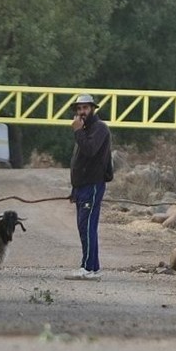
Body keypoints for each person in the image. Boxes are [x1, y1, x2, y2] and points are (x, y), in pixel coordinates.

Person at [65, 94, 112, 281]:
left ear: (92, 109)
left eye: (84, 108)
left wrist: (77, 131)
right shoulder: (85, 130)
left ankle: (87, 268)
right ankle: (93, 267)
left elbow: (90, 150)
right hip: (83, 187)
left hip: (93, 186)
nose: (81, 112)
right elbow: (80, 163)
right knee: (84, 227)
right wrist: (74, 189)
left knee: (87, 227)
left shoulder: (99, 128)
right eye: (78, 109)